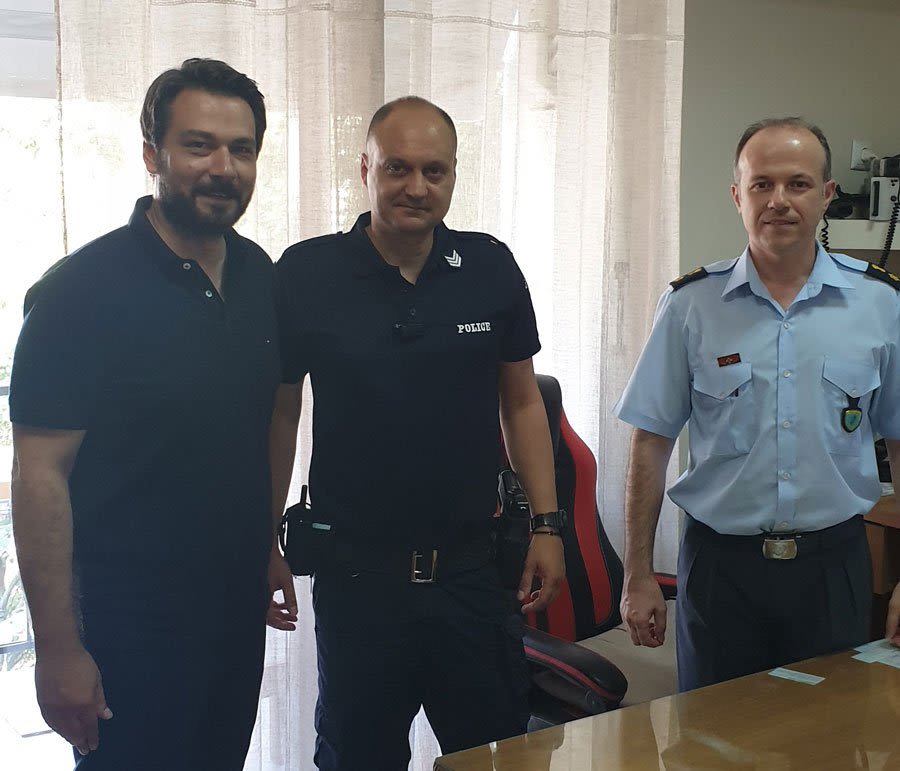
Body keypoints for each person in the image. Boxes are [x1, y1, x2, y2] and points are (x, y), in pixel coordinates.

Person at [266, 96, 566, 769]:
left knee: (497, 755)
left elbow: (522, 402)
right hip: (358, 579)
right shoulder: (307, 273)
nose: (416, 187)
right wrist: (264, 540)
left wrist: (548, 526)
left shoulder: (489, 266)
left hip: (472, 574)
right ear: (365, 169)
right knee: (357, 757)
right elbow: (280, 414)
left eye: (435, 171)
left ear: (453, 175)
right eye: (397, 168)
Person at [9, 58, 279, 769]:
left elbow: (257, 429)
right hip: (127, 630)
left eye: (241, 149)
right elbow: (39, 477)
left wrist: (267, 549)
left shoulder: (260, 277)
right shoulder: (77, 294)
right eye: (198, 145)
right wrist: (58, 649)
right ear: (152, 155)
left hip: (233, 617)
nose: (223, 167)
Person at [613, 117, 900, 692]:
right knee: (711, 731)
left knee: (827, 730)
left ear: (826, 194)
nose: (779, 200)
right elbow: (651, 441)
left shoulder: (880, 303)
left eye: (798, 183)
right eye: (762, 184)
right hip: (722, 570)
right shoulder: (690, 306)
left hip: (833, 567)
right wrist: (637, 573)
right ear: (737, 195)